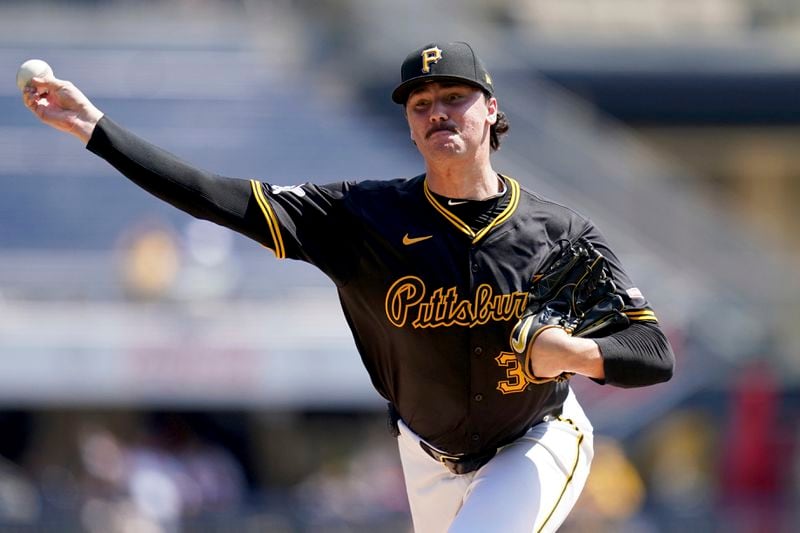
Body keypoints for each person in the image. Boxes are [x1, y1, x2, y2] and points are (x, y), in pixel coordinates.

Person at [22, 41, 675, 532]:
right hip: (426, 455)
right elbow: (215, 198)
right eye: (422, 104)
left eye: (455, 96)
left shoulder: (558, 231)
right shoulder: (360, 218)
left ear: (491, 110)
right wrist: (94, 129)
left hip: (538, 435)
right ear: (410, 124)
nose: (437, 111)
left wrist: (574, 354)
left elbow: (651, 351)